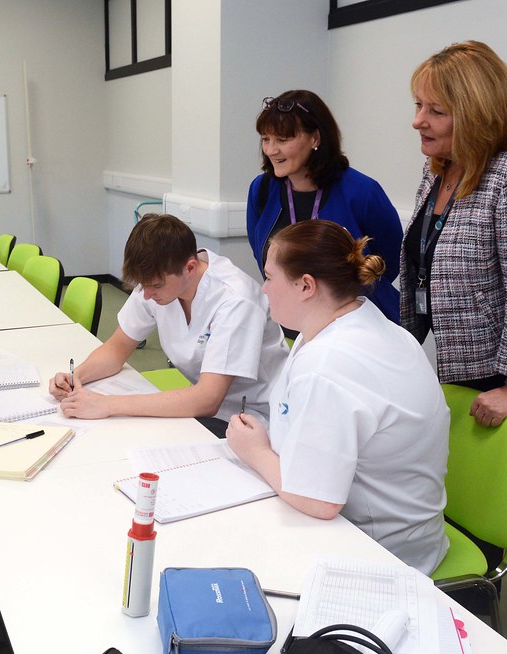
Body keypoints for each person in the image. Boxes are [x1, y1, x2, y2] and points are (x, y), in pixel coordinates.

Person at [227, 220, 449, 576]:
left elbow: (318, 500)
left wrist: (255, 452)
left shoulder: (328, 363)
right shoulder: (354, 321)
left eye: (269, 277)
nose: (263, 289)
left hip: (380, 553)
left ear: (306, 286)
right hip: (406, 529)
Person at [404, 41, 507, 426]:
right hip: (461, 350)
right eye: (418, 105)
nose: (418, 121)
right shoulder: (439, 167)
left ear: (477, 114)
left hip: (506, 364)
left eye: (436, 111)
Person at [50, 213, 287, 437]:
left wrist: (107, 404)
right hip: (203, 407)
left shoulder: (235, 300)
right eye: (143, 285)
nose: (146, 295)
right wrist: (75, 377)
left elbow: (207, 399)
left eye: (155, 286)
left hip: (255, 418)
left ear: (190, 268)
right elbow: (115, 350)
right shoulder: (157, 282)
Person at [246, 90, 403, 324]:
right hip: (293, 325)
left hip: (355, 327)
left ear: (315, 138)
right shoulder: (261, 190)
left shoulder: (362, 191)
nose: (271, 150)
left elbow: (390, 261)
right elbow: (266, 261)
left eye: (282, 139)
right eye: (266, 139)